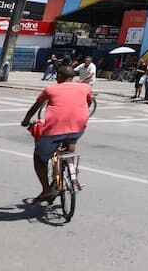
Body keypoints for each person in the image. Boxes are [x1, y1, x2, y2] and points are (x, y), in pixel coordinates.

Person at [20, 65, 96, 203]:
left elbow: (36, 106)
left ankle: (46, 191)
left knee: (39, 157)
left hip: (54, 129)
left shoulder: (51, 89)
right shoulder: (85, 87)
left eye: (57, 75)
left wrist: (26, 120)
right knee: (70, 141)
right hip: (78, 126)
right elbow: (89, 102)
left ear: (60, 76)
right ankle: (71, 167)